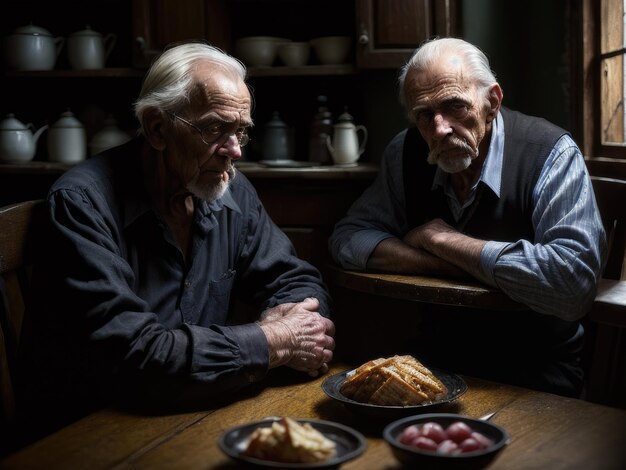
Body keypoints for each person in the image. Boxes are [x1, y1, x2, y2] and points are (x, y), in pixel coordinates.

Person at [17, 42, 335, 440]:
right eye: (216, 128)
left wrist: (293, 327)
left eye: (242, 131)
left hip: (195, 408)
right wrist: (273, 341)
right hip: (93, 429)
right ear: (157, 128)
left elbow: (295, 282)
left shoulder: (230, 190)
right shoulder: (81, 205)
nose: (234, 151)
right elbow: (138, 359)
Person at [328, 37, 606, 398]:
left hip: (538, 366)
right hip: (438, 359)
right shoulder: (406, 150)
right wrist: (447, 263)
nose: (440, 128)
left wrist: (441, 239)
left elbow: (572, 284)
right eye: (424, 115)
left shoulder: (550, 152)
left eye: (454, 106)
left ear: (492, 101)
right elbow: (347, 239)